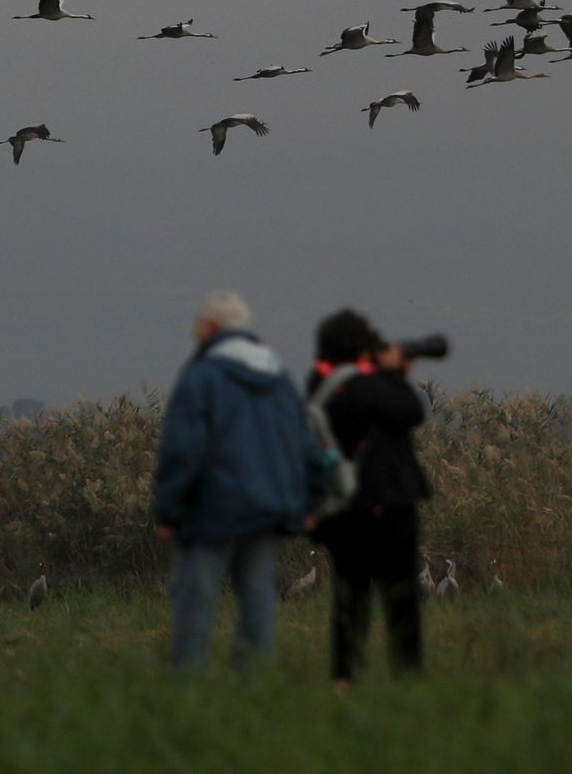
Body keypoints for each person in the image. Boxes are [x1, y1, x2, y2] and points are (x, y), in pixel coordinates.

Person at [153, 290, 324, 670]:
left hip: (210, 512)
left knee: (196, 601)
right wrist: (312, 501)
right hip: (267, 511)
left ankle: (188, 690)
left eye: (198, 325)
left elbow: (183, 449)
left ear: (212, 327)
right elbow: (305, 444)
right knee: (259, 600)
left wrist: (168, 510)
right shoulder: (278, 376)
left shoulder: (201, 376)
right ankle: (251, 689)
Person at [307, 308, 431, 691]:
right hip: (388, 509)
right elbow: (410, 411)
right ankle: (407, 680)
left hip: (342, 512)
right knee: (401, 601)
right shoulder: (367, 385)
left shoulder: (318, 384)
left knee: (349, 601)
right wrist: (393, 372)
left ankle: (343, 679)